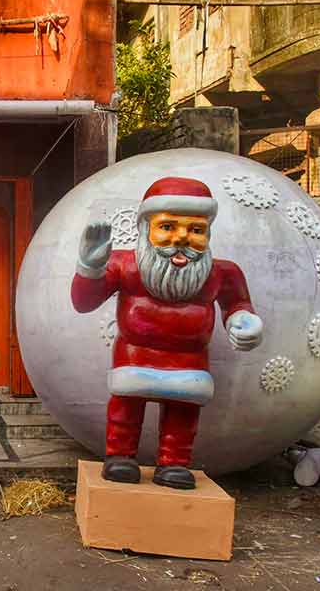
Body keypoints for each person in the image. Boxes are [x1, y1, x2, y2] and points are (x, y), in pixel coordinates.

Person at [72, 177, 263, 489]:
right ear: (146, 227)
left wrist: (245, 322)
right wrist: (89, 268)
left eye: (196, 230)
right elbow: (83, 302)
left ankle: (174, 463)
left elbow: (238, 304)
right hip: (134, 357)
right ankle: (120, 457)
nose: (181, 239)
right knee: (126, 409)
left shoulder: (222, 273)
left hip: (189, 365)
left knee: (182, 416)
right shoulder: (124, 265)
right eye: (167, 227)